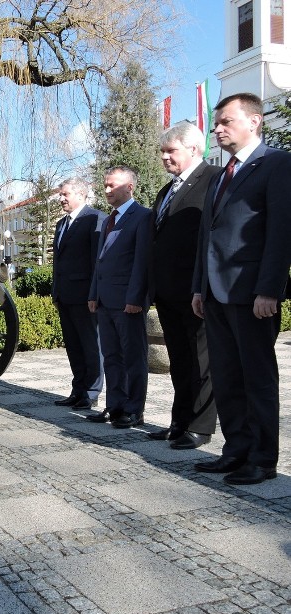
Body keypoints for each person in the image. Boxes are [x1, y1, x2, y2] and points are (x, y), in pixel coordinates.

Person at [192, 92, 291, 485]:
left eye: (225, 121)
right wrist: (200, 288)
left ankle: (262, 458)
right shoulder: (221, 174)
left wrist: (270, 289)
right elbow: (208, 236)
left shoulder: (278, 164)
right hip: (215, 294)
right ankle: (234, 451)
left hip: (252, 295)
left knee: (256, 378)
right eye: (216, 123)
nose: (217, 129)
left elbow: (280, 231)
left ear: (254, 121)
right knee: (227, 376)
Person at [147, 123, 221, 449]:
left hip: (197, 290)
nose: (165, 157)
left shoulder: (214, 180)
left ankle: (201, 428)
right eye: (162, 152)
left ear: (193, 149)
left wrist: (202, 286)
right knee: (179, 358)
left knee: (202, 360)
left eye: (171, 151)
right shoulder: (166, 191)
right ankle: (179, 422)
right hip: (167, 291)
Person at [86, 166, 153, 428]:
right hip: (105, 300)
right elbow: (100, 262)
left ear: (129, 187)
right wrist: (94, 293)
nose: (106, 191)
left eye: (112, 185)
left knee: (134, 358)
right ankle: (115, 406)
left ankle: (134, 409)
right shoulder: (109, 220)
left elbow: (142, 262)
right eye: (105, 185)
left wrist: (136, 298)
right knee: (112, 356)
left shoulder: (142, 217)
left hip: (128, 303)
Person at [51, 177, 106, 410]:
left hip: (85, 296)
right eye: (60, 194)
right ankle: (78, 389)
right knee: (74, 346)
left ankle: (91, 392)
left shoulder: (95, 219)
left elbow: (97, 261)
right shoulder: (61, 224)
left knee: (91, 346)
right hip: (65, 295)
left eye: (65, 194)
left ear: (81, 194)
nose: (61, 198)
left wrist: (94, 294)